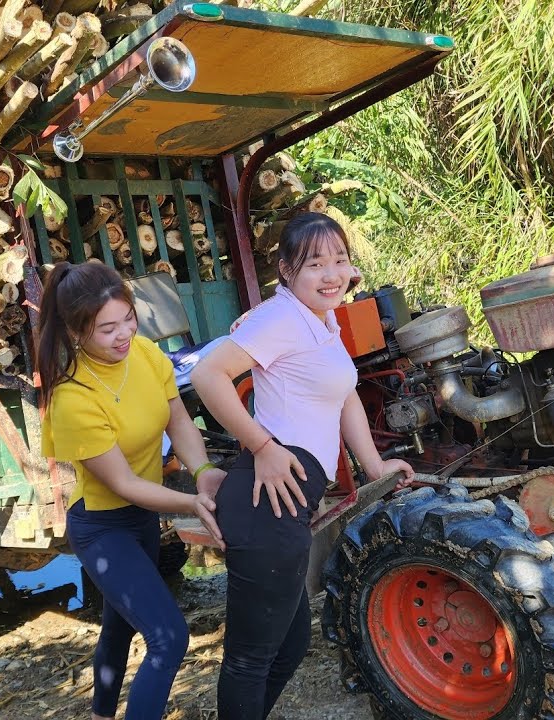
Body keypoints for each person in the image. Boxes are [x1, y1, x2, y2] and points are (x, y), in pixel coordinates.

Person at [190, 212, 415, 719]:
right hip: (265, 505)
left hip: (286, 507)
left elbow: (345, 397)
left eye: (340, 259)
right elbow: (208, 375)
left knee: (287, 650)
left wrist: (376, 465)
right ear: (287, 271)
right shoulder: (281, 318)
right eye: (315, 263)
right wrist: (264, 446)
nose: (332, 273)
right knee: (250, 660)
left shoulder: (323, 318)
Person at [38, 261, 227, 720]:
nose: (123, 334)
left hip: (141, 521)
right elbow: (125, 484)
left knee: (118, 627)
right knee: (169, 637)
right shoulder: (73, 398)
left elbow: (179, 421)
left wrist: (202, 468)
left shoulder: (145, 355)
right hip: (103, 528)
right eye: (107, 329)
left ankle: (101, 715)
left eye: (128, 319)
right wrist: (192, 503)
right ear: (76, 332)